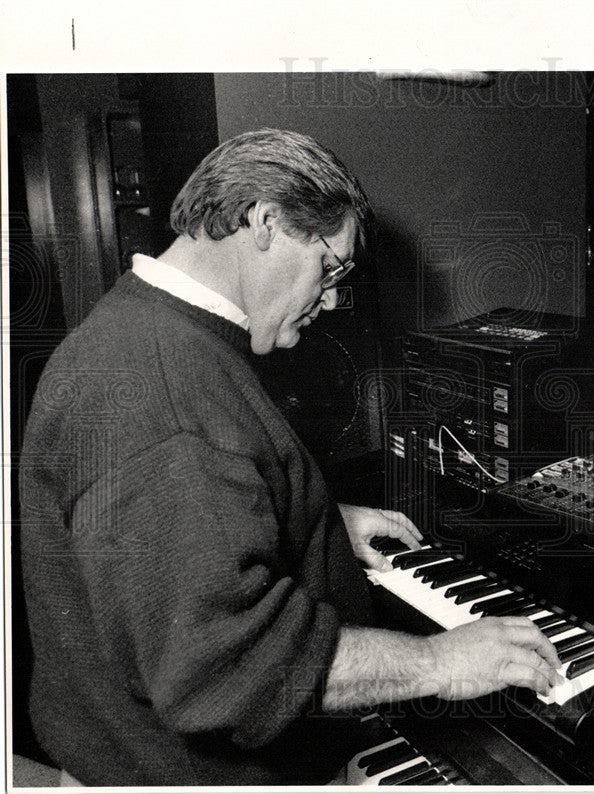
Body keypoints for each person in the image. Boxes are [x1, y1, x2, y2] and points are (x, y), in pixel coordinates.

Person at [18, 129, 561, 786]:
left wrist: (312, 518)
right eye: (330, 267)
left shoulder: (146, 327)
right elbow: (224, 672)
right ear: (265, 221)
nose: (330, 298)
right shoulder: (165, 395)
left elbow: (184, 514)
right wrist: (438, 664)